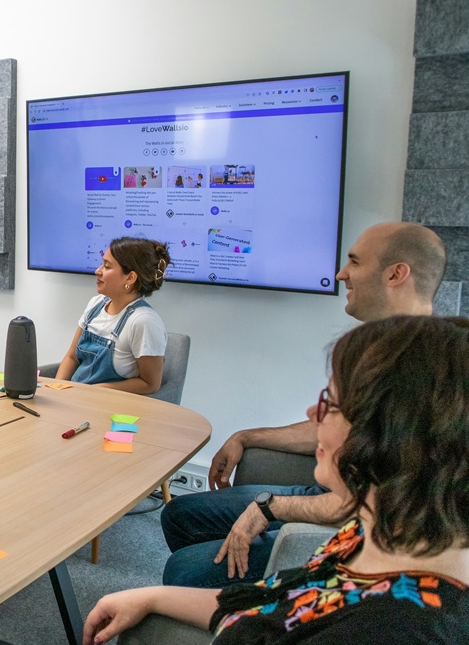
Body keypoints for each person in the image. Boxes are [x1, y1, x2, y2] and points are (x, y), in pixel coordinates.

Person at [83, 315, 469, 645]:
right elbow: (281, 604)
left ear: (390, 437)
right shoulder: (377, 533)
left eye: (330, 404)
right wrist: (153, 596)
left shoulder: (393, 643)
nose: (312, 416)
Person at [161, 222, 448, 587]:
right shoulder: (376, 349)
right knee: (179, 515)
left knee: (183, 570)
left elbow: (368, 502)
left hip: (348, 526)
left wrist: (270, 507)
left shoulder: (421, 374)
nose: (342, 274)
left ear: (396, 274)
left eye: (355, 262)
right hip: (326, 497)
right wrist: (247, 436)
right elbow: (328, 427)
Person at [55, 237, 172, 394]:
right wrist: (55, 390)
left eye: (107, 266)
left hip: (108, 406)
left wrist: (98, 391)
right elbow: (72, 357)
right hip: (76, 397)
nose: (98, 271)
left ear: (130, 278)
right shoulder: (95, 304)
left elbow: (150, 384)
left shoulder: (144, 321)